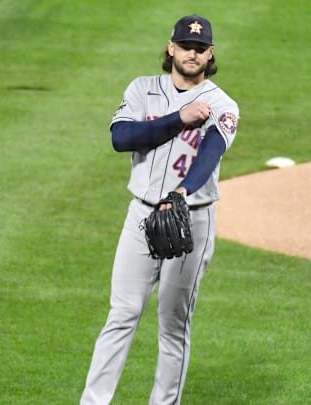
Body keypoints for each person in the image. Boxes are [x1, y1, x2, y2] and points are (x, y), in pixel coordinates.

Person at [80, 14, 240, 405]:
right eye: (186, 46)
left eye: (200, 49)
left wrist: (182, 191)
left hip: (191, 220)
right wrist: (178, 119)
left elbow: (210, 155)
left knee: (173, 324)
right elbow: (122, 138)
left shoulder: (223, 105)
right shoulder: (142, 89)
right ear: (171, 48)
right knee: (122, 314)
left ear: (210, 54)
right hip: (140, 217)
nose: (192, 54)